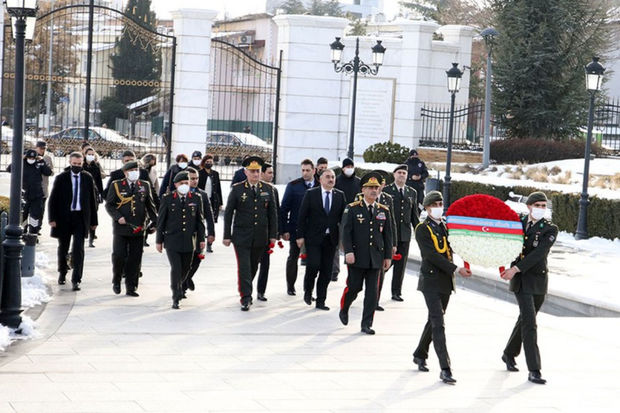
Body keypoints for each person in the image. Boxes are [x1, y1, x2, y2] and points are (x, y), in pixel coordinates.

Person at [412, 191, 471, 384]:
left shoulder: (446, 227)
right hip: (430, 281)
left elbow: (455, 247)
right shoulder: (422, 229)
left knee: (434, 320)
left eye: (440, 204)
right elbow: (431, 255)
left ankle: (420, 353)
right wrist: (456, 269)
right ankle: (445, 368)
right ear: (427, 208)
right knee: (438, 323)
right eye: (434, 205)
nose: (438, 208)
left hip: (445, 282)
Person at [500, 191, 558, 385]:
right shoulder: (517, 222)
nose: (541, 209)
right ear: (529, 206)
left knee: (525, 320)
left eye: (544, 206)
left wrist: (515, 268)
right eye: (537, 205)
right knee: (530, 324)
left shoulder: (550, 229)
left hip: (538, 280)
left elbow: (539, 253)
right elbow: (503, 241)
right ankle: (534, 370)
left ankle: (509, 353)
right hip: (521, 281)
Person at [338, 172, 393, 335]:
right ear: (363, 190)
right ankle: (345, 307)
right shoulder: (352, 208)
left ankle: (366, 323)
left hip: (375, 257)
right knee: (354, 287)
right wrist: (348, 251)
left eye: (376, 187)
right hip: (357, 256)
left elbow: (388, 235)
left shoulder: (383, 210)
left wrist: (388, 256)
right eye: (370, 188)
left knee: (372, 293)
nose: (374, 190)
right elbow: (346, 232)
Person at [223, 156, 277, 311]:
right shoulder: (238, 189)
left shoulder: (268, 189)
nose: (255, 174)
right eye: (252, 171)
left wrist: (273, 235)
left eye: (258, 171)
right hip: (241, 236)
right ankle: (246, 297)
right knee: (245, 267)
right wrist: (227, 235)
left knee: (253, 266)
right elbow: (228, 213)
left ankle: (245, 286)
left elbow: (272, 214)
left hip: (260, 236)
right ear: (246, 172)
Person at [105, 161, 157, 296]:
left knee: (135, 258)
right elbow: (109, 205)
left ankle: (131, 287)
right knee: (119, 256)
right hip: (121, 227)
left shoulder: (144, 185)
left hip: (138, 227)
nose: (135, 172)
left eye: (136, 170)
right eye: (132, 170)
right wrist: (118, 217)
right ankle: (117, 280)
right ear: (125, 172)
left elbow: (150, 205)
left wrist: (155, 222)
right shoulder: (116, 185)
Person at [48, 152, 99, 291]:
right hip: (64, 217)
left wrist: (94, 221)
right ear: (70, 163)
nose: (77, 166)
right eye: (74, 164)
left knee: (78, 248)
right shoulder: (62, 178)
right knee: (63, 247)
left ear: (82, 163)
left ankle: (76, 279)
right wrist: (52, 218)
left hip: (80, 218)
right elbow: (53, 199)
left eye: (79, 164)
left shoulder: (87, 178)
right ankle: (62, 272)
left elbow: (92, 201)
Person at [296, 168, 345, 311]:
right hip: (314, 238)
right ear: (321, 179)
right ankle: (308, 291)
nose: (331, 179)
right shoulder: (311, 194)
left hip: (331, 239)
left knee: (326, 271)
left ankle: (321, 300)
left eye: (333, 177)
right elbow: (302, 216)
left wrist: (344, 240)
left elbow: (344, 219)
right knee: (313, 266)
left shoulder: (339, 195)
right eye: (328, 177)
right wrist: (300, 235)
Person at [156, 171, 206, 309]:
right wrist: (159, 241)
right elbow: (161, 221)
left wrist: (201, 239)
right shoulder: (167, 198)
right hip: (172, 240)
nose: (184, 185)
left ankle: (180, 284)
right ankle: (176, 295)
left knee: (186, 267)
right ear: (176, 185)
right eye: (181, 183)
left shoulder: (196, 198)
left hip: (189, 240)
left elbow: (200, 221)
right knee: (176, 268)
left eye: (186, 183)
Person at [280, 159, 318, 295]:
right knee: (293, 256)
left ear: (314, 170)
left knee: (313, 260)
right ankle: (290, 286)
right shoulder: (293, 186)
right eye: (303, 170)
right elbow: (284, 209)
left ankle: (309, 289)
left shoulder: (320, 185)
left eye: (308, 170)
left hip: (314, 230)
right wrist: (284, 229)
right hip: (295, 228)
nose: (305, 173)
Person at [383, 164, 419, 302]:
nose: (402, 175)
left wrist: (419, 231)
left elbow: (414, 215)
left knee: (401, 266)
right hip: (390, 235)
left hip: (404, 235)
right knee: (385, 264)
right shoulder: (387, 190)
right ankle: (375, 288)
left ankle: (396, 292)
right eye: (399, 172)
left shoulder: (412, 192)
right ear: (394, 175)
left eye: (404, 173)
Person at [182, 167, 216, 296]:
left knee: (197, 259)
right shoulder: (178, 193)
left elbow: (209, 214)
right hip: (183, 234)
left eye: (196, 178)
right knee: (185, 262)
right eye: (192, 179)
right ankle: (182, 287)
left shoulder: (202, 194)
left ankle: (188, 277)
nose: (195, 181)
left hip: (198, 233)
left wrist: (211, 233)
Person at [7, 149, 52, 234]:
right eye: (29, 158)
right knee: (23, 215)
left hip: (36, 195)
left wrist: (42, 161)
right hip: (24, 195)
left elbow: (48, 172)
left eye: (33, 158)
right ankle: (23, 232)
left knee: (35, 216)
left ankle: (33, 234)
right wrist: (19, 159)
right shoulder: (22, 163)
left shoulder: (39, 163)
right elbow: (9, 169)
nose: (31, 159)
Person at [333, 157, 361, 282]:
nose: (349, 169)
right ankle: (334, 270)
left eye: (351, 167)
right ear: (343, 168)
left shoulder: (358, 182)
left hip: (355, 217)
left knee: (352, 244)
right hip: (339, 216)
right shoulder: (337, 181)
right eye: (347, 167)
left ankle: (352, 269)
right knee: (336, 244)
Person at [256, 162, 280, 302]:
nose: (272, 175)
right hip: (252, 233)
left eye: (273, 173)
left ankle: (261, 291)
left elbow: (276, 212)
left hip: (266, 234)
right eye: (269, 173)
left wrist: (275, 233)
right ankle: (246, 289)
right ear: (262, 173)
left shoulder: (273, 190)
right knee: (251, 265)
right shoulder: (252, 188)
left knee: (265, 264)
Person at [198, 154, 223, 252]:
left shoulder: (215, 174)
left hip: (212, 201)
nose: (209, 163)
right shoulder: (199, 173)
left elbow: (218, 188)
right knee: (201, 221)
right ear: (204, 162)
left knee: (211, 221)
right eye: (207, 162)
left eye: (210, 162)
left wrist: (220, 203)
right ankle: (201, 240)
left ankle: (209, 243)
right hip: (201, 199)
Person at [83, 146, 104, 248]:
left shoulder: (96, 166)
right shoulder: (81, 165)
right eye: (89, 154)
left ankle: (91, 238)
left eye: (92, 154)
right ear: (85, 155)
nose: (91, 156)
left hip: (94, 193)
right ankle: (83, 234)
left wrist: (101, 194)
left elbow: (99, 181)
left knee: (93, 215)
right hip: (83, 193)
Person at [35, 141, 54, 224]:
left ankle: (38, 226)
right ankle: (25, 227)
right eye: (41, 148)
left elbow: (52, 172)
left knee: (40, 210)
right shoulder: (31, 156)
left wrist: (44, 165)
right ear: (36, 148)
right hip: (30, 188)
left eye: (44, 148)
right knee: (27, 210)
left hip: (43, 188)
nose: (43, 150)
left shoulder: (47, 158)